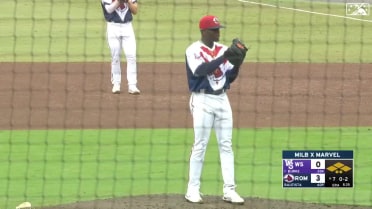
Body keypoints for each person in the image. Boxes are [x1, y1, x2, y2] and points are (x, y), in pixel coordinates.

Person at [184, 15, 247, 204]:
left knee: (226, 145)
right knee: (200, 144)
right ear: (204, 31)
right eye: (215, 30)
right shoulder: (193, 49)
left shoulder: (222, 49)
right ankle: (192, 189)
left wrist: (237, 63)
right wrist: (224, 57)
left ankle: (230, 190)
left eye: (219, 29)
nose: (218, 33)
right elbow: (201, 71)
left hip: (222, 99)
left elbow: (230, 77)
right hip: (202, 100)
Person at [101, 0, 140, 94]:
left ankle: (132, 85)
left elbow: (135, 11)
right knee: (115, 57)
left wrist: (128, 2)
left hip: (127, 27)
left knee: (131, 56)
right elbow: (109, 9)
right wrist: (119, 1)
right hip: (113, 27)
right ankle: (116, 84)